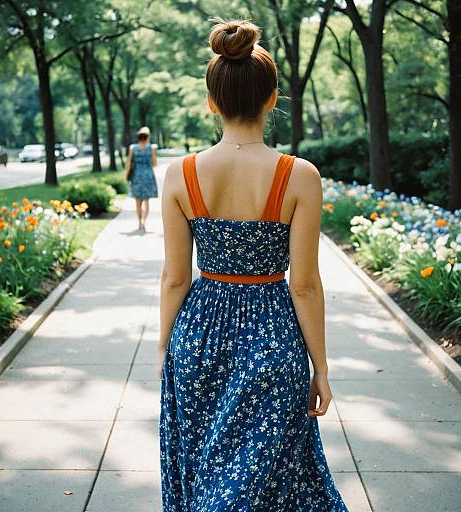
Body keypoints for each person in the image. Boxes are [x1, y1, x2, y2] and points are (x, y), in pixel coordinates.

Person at [158, 19, 350, 512]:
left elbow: (176, 276)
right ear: (272, 99)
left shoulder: (180, 174)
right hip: (272, 336)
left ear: (212, 100)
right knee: (275, 485)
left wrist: (165, 347)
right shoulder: (299, 176)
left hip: (199, 337)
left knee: (203, 472)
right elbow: (304, 285)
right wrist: (321, 367)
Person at [125, 126, 158, 232]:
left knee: (138, 202)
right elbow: (154, 163)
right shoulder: (152, 148)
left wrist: (127, 174)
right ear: (148, 137)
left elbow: (129, 162)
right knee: (147, 202)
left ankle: (140, 222)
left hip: (136, 176)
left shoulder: (133, 148)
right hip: (148, 175)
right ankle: (144, 221)